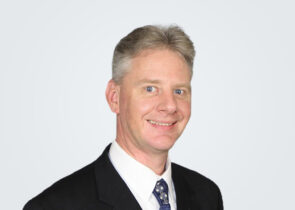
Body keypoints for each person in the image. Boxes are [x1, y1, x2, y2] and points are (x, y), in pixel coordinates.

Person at [24, 25, 223, 210]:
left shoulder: (207, 195)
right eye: (150, 89)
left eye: (179, 91)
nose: (170, 106)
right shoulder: (55, 206)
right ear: (114, 97)